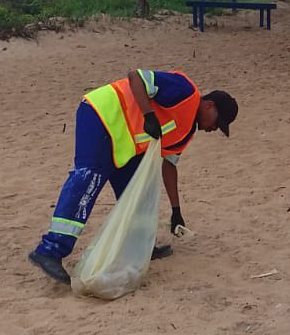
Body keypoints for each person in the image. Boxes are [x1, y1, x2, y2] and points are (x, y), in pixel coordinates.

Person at [29, 69, 238, 284]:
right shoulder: (184, 91)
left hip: (124, 144)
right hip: (101, 115)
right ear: (209, 105)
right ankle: (50, 250)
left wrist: (176, 211)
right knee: (88, 180)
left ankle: (140, 247)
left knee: (138, 191)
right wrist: (148, 115)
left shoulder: (186, 134)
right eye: (217, 122)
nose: (214, 128)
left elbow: (169, 167)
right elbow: (136, 77)